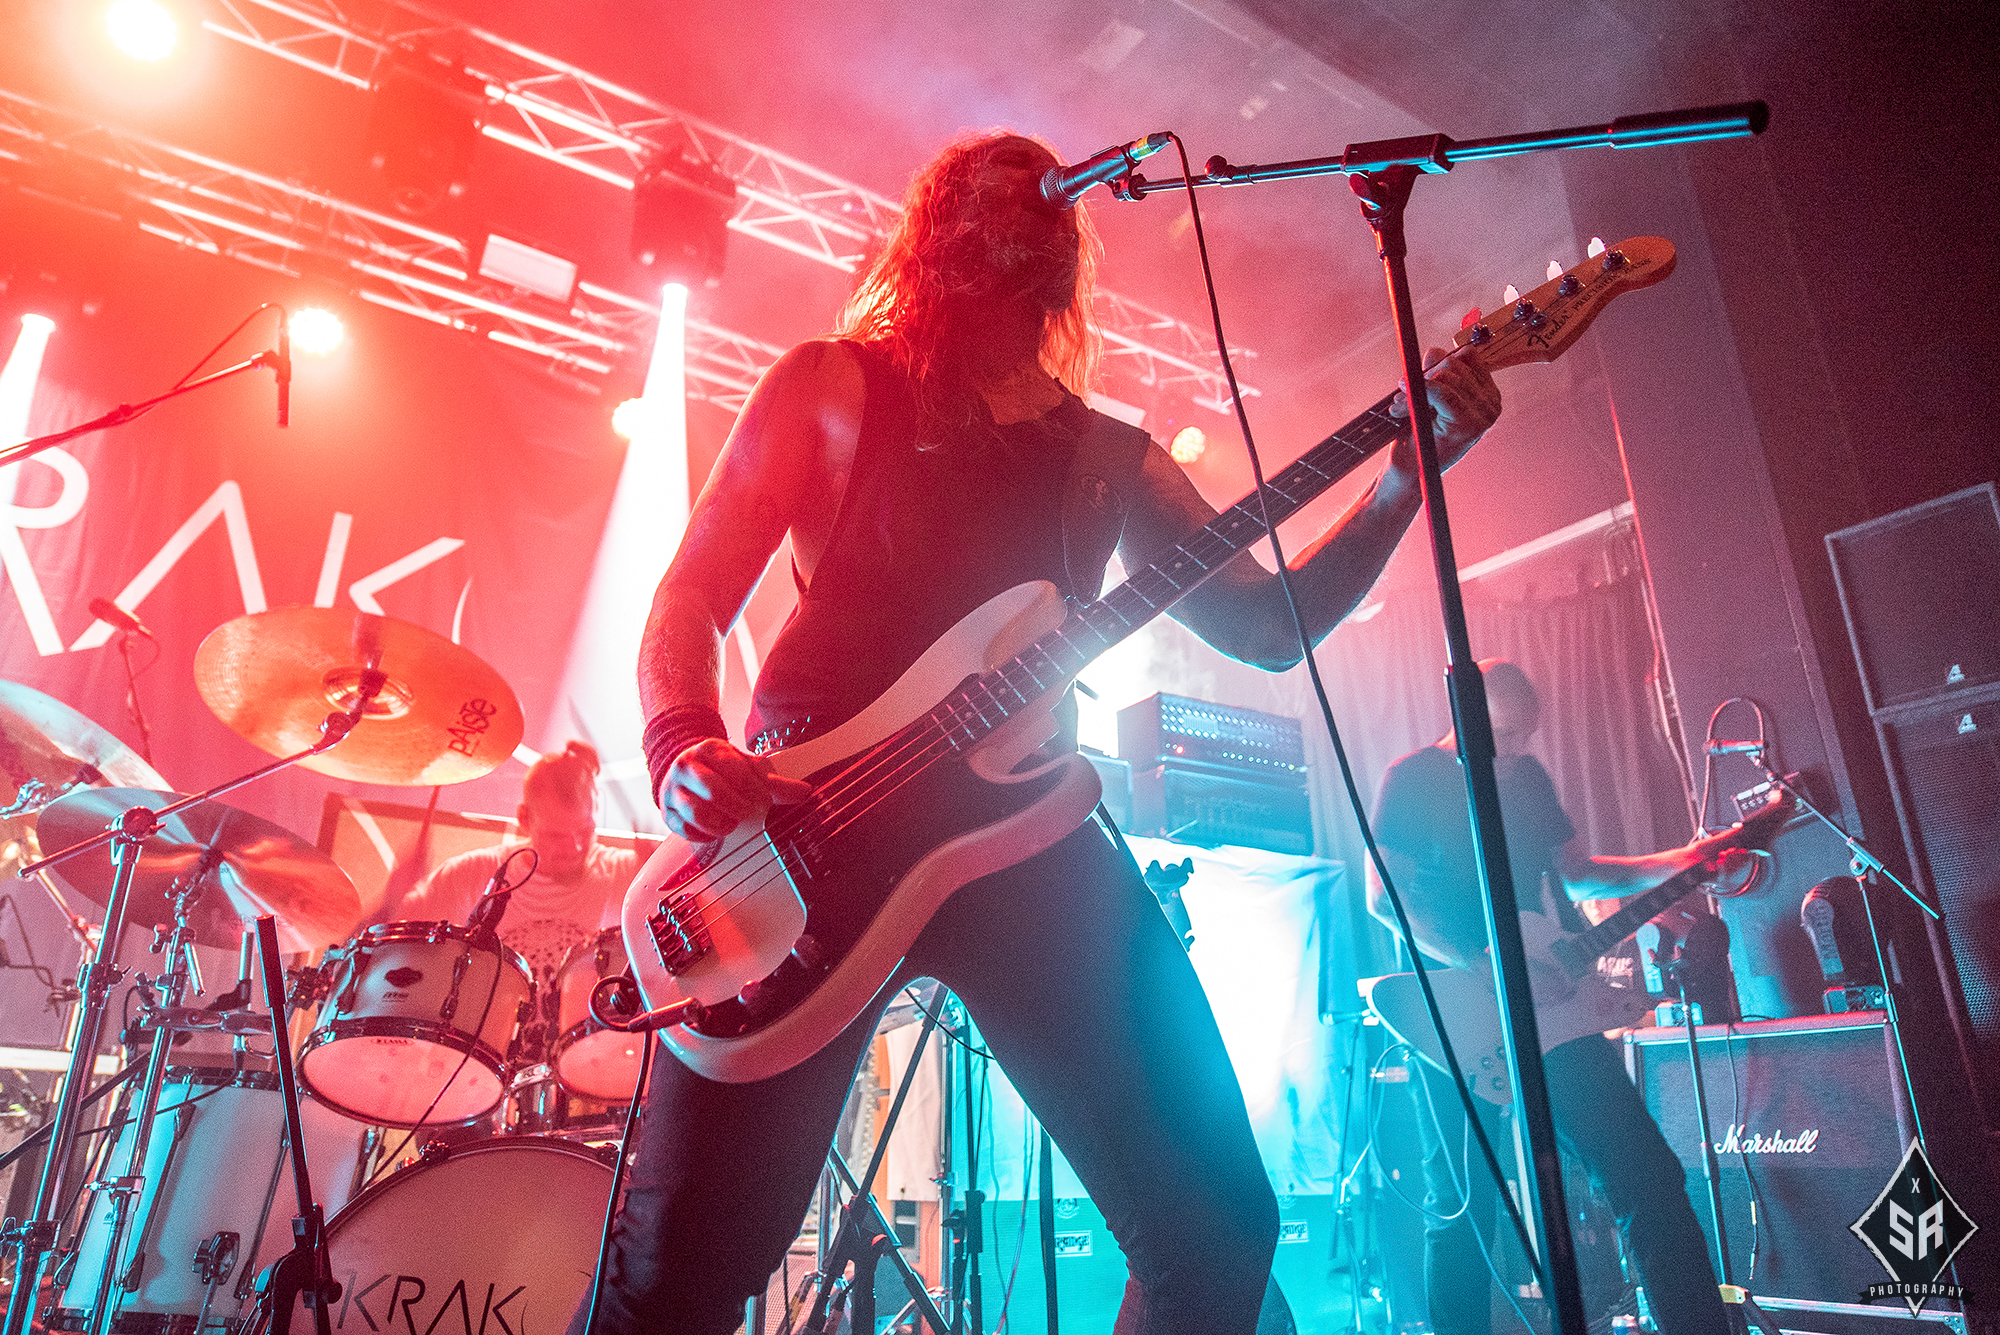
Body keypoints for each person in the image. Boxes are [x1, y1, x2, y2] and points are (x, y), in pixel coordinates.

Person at [593, 129, 1501, 1335]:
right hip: (803, 832)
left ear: (1068, 245)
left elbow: (1267, 628)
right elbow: (690, 596)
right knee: (676, 1277)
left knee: (1215, 1230)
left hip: (1022, 835)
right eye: (990, 182)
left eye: (1041, 189)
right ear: (936, 229)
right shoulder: (829, 383)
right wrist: (678, 743)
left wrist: (1398, 486)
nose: (1025, 194)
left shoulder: (1108, 457)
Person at [1365, 659, 1735, 1335]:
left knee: (1648, 1175)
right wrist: (1489, 966)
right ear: (1465, 715)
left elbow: (1581, 874)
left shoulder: (1528, 778)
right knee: (1463, 1209)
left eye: (1523, 735)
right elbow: (1386, 898)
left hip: (1552, 1009)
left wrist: (1688, 859)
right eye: (1503, 734)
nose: (1514, 750)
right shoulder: (1411, 778)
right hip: (1458, 1015)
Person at [397, 741, 638, 982]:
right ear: (524, 818)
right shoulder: (472, 874)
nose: (574, 848)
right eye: (556, 836)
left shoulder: (627, 874)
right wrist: (391, 902)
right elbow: (392, 952)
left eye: (585, 832)